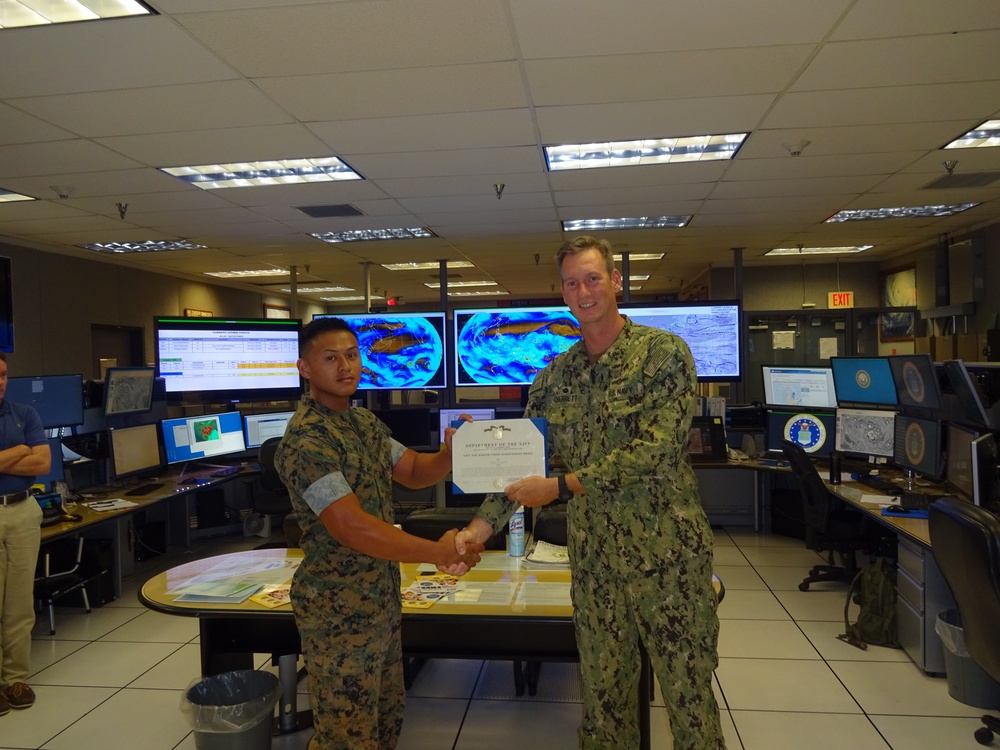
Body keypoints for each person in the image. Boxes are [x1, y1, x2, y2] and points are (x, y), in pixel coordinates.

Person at [453, 236, 726, 749]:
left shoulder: (663, 354)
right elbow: (519, 465)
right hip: (597, 568)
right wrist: (476, 530)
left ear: (616, 281)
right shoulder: (554, 378)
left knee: (689, 701)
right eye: (573, 282)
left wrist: (561, 486)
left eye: (594, 278)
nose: (584, 291)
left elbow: (657, 450)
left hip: (668, 563)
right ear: (562, 291)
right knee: (603, 704)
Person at [274, 317, 484, 750]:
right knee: (347, 736)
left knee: (385, 722)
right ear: (305, 369)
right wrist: (437, 552)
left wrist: (450, 453)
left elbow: (411, 471)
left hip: (380, 601)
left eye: (351, 355)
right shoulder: (306, 441)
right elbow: (350, 527)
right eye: (330, 358)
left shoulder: (362, 423)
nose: (345, 366)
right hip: (337, 611)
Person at [0, 351, 51, 716]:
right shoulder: (23, 428)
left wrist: (10, 453)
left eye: (3, 375)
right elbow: (30, 456)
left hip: (22, 511)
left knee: (19, 603)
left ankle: (15, 678)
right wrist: (20, 450)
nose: (1, 382)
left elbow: (43, 463)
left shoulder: (24, 413)